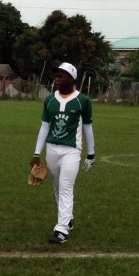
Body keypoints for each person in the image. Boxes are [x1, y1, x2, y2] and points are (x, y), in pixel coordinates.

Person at [31, 62, 95, 244]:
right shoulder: (50, 100)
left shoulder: (82, 101)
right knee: (57, 187)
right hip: (52, 149)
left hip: (72, 150)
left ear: (72, 79)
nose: (57, 79)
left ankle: (61, 230)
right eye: (56, 76)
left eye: (61, 76)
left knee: (66, 187)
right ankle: (67, 219)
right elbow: (44, 127)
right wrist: (36, 153)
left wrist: (91, 153)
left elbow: (88, 127)